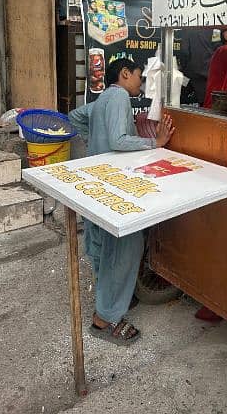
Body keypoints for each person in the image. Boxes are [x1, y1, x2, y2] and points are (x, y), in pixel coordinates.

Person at [69, 58, 174, 345]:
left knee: (102, 244)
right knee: (125, 247)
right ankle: (105, 318)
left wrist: (94, 146)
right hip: (114, 184)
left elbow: (75, 115)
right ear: (125, 74)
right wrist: (155, 143)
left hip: (98, 180)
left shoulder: (103, 98)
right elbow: (118, 140)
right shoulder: (118, 97)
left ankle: (111, 301)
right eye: (139, 76)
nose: (141, 82)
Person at [178, 28, 221, 106]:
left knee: (181, 102)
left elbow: (184, 52)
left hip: (189, 75)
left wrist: (184, 68)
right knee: (205, 106)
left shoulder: (188, 27)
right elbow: (217, 47)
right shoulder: (215, 29)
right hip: (207, 75)